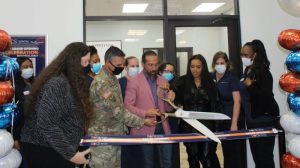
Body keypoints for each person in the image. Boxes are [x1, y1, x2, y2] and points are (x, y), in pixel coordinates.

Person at [20, 42, 93, 168]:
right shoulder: (58, 84)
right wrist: (71, 155)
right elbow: (46, 123)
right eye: (85, 62)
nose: (88, 67)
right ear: (73, 62)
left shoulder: (69, 82)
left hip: (56, 149)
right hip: (45, 149)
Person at [88, 46, 156, 168]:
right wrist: (142, 121)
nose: (120, 68)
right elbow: (118, 111)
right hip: (104, 139)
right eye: (118, 65)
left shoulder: (112, 79)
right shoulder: (102, 83)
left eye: (122, 64)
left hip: (115, 136)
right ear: (108, 62)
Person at [124, 50, 175, 168]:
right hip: (144, 127)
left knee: (167, 162)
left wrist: (170, 99)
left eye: (156, 64)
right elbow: (127, 106)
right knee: (148, 164)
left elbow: (168, 109)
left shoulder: (162, 81)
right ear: (143, 64)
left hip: (163, 127)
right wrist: (145, 113)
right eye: (150, 65)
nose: (153, 68)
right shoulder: (134, 81)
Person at [174, 54, 221, 168]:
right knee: (193, 157)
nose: (195, 69)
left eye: (198, 67)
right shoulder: (182, 81)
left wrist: (217, 127)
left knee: (206, 156)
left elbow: (216, 106)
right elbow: (173, 92)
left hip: (207, 126)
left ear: (203, 67)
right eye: (192, 66)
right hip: (189, 126)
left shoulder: (210, 83)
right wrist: (171, 93)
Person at [240, 39, 279, 168]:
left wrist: (250, 86)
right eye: (242, 55)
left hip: (264, 120)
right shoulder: (247, 72)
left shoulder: (263, 72)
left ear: (254, 55)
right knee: (257, 158)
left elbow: (265, 97)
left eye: (246, 55)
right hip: (252, 121)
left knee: (265, 158)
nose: (243, 58)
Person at [211, 51, 244, 168]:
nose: (219, 65)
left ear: (227, 63)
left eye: (222, 63)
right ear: (213, 64)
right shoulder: (210, 77)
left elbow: (237, 101)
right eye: (217, 63)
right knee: (209, 152)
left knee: (230, 153)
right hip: (214, 120)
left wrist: (234, 123)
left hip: (229, 119)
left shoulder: (231, 78)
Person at [157, 62, 180, 168]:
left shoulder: (175, 86)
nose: (169, 74)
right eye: (166, 71)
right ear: (160, 72)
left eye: (171, 72)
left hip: (172, 121)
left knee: (172, 152)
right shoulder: (155, 85)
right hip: (158, 121)